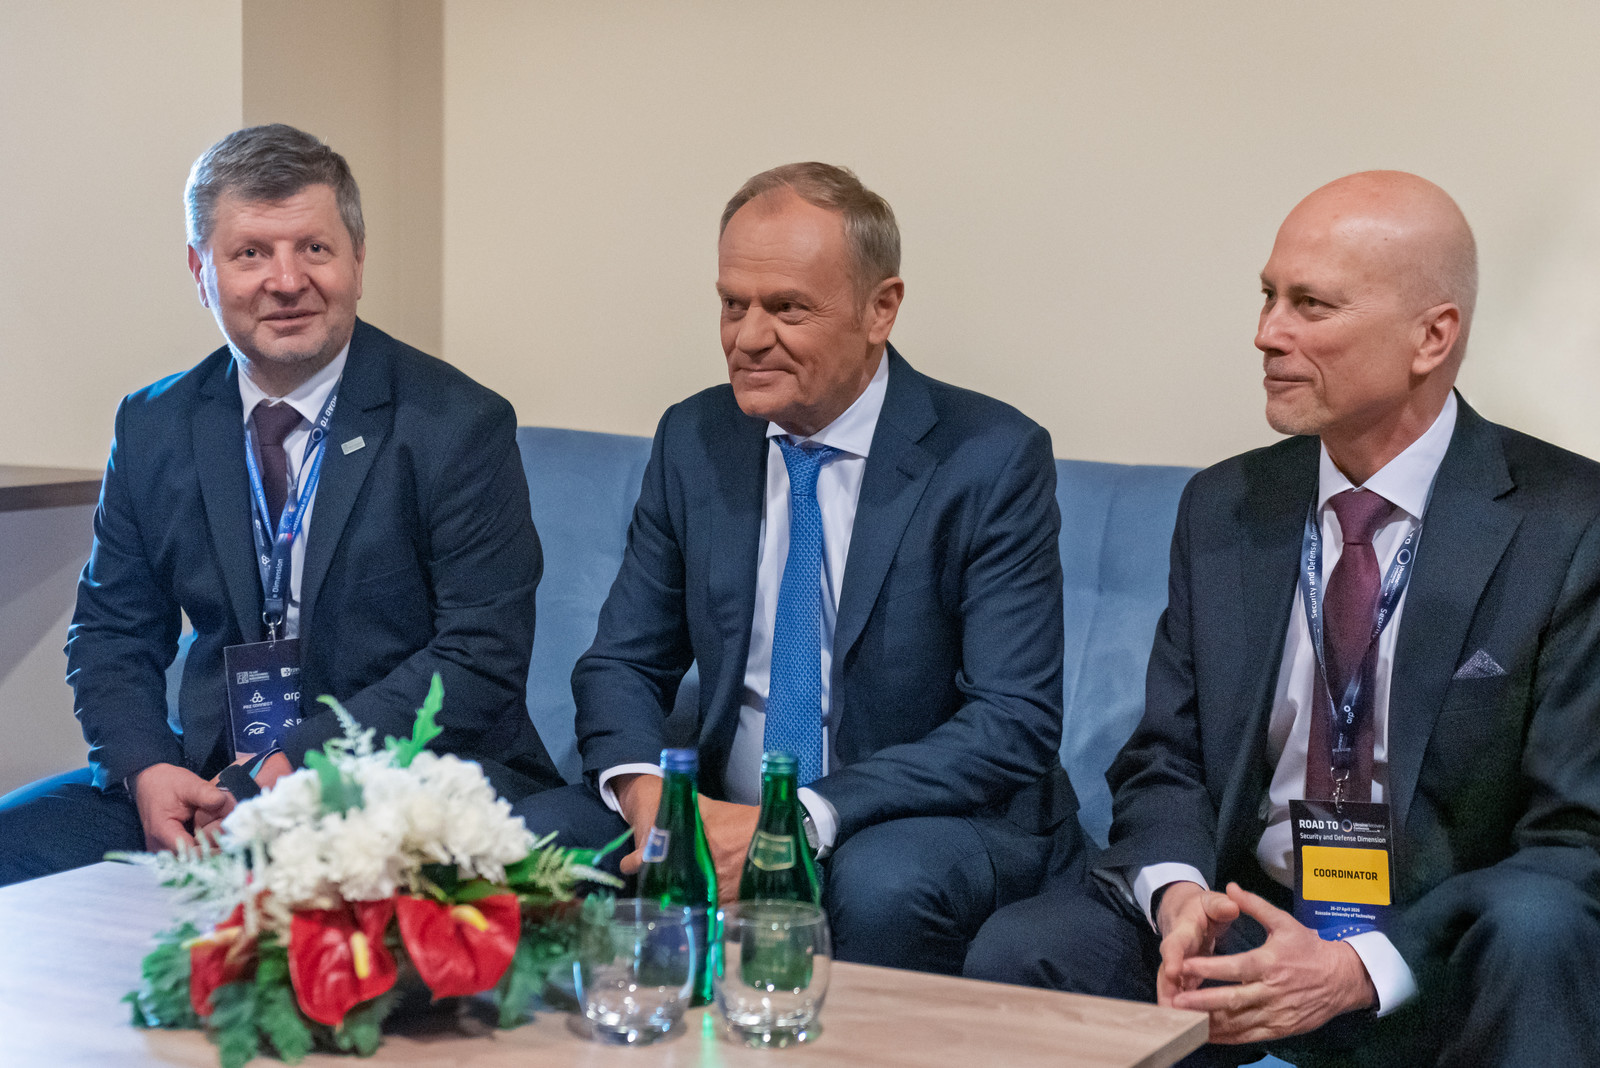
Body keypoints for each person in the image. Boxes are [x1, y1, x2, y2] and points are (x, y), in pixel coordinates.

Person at [964, 171, 1600, 1065]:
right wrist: (1180, 898)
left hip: (1437, 952)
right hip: (1250, 922)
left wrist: (1358, 969)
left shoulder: (1569, 525)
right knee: (1029, 952)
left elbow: (1578, 838)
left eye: (1311, 305)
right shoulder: (1226, 506)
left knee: (1541, 927)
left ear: (1432, 336)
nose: (1267, 333)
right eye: (1268, 296)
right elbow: (1166, 760)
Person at [514, 162, 1079, 974]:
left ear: (881, 308)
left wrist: (795, 819)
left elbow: (1011, 720)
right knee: (530, 842)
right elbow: (621, 663)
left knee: (878, 884)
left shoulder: (989, 457)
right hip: (716, 805)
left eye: (786, 308)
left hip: (911, 817)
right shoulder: (695, 439)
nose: (747, 337)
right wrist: (653, 802)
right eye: (731, 304)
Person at [0, 124, 561, 886]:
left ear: (358, 260)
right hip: (212, 784)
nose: (287, 280)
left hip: (406, 780)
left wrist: (294, 762)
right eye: (251, 253)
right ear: (201, 271)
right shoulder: (154, 424)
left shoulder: (456, 424)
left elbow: (479, 658)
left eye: (315, 248)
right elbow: (112, 633)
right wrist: (147, 770)